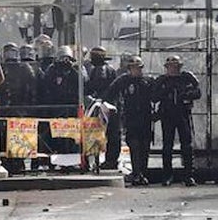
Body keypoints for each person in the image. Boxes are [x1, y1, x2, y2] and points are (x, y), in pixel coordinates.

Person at [105, 55, 156, 185]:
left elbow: (156, 96)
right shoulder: (124, 81)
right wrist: (112, 107)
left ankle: (143, 173)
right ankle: (136, 172)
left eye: (138, 68)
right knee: (134, 146)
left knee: (145, 146)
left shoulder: (148, 81)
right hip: (130, 117)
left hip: (145, 117)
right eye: (133, 68)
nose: (135, 71)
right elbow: (110, 93)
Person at [153, 54, 202, 185]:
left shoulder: (186, 78)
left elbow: (198, 92)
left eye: (175, 67)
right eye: (170, 67)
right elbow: (154, 97)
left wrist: (185, 95)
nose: (172, 69)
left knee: (187, 145)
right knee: (167, 146)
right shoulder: (162, 80)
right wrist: (165, 92)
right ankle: (167, 175)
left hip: (183, 113)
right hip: (167, 114)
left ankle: (188, 175)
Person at [85, 47, 121, 169]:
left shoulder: (108, 70)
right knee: (96, 134)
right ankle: (97, 159)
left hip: (107, 106)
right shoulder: (93, 70)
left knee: (112, 134)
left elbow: (110, 89)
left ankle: (111, 160)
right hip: (97, 106)